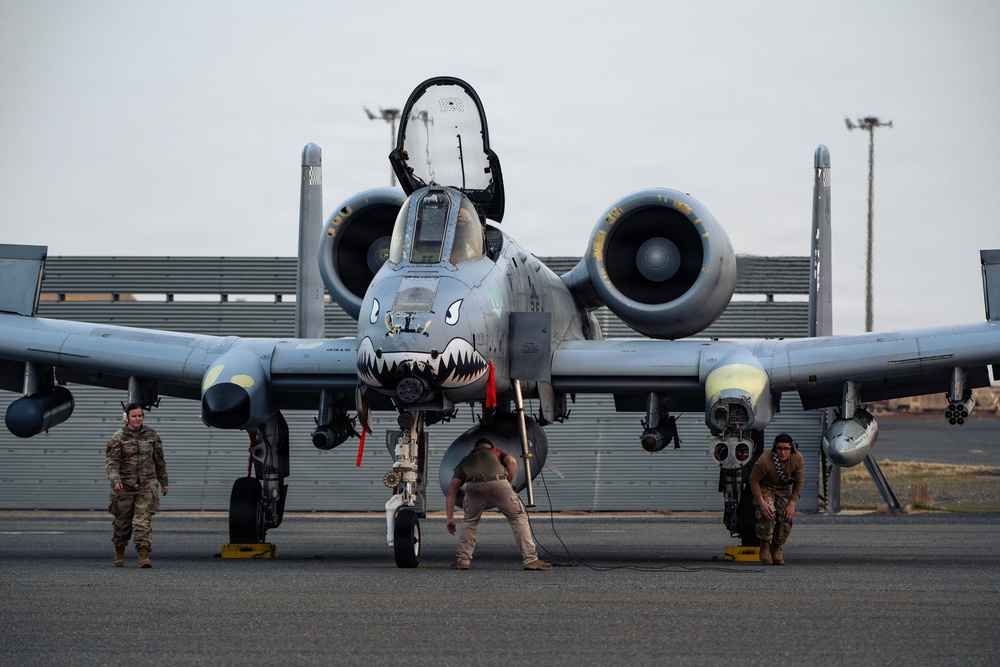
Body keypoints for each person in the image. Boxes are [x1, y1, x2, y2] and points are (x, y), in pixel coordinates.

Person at [445, 438, 551, 571]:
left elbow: (451, 491)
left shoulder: (465, 460)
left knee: (470, 522)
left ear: (475, 449)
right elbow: (512, 461)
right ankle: (531, 560)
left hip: (474, 487)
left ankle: (462, 561)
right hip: (499, 484)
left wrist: (450, 519)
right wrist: (507, 482)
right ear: (490, 447)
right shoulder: (495, 452)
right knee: (518, 518)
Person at [105, 403, 169, 568]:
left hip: (146, 485)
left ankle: (143, 555)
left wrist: (164, 482)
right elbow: (112, 463)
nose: (138, 419)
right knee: (122, 523)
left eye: (140, 415)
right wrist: (116, 480)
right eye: (134, 416)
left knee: (142, 521)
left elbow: (159, 460)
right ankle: (119, 553)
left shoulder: (151, 435)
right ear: (127, 418)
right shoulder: (118, 438)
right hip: (125, 486)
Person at [748, 432, 804, 565]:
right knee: (768, 512)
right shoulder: (765, 460)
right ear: (775, 448)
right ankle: (765, 546)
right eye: (779, 448)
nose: (783, 452)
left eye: (786, 449)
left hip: (782, 488)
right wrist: (761, 502)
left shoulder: (797, 458)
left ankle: (776, 547)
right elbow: (753, 480)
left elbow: (799, 481)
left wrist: (792, 503)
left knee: (786, 517)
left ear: (792, 449)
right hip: (765, 487)